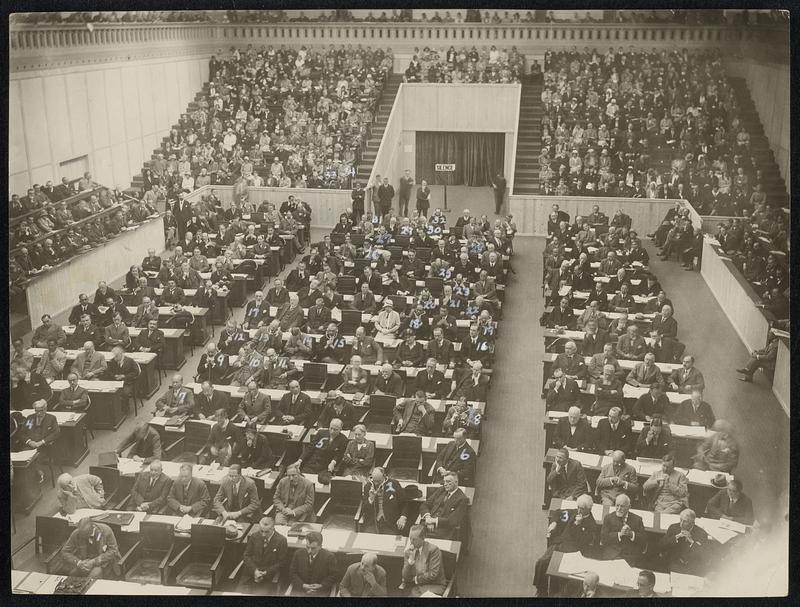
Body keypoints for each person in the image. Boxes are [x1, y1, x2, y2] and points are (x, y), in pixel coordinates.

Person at [533, 494, 599, 597]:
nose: (578, 511)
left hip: (571, 551)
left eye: (582, 509)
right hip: (559, 544)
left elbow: (582, 542)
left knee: (558, 572)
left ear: (589, 509)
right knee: (541, 562)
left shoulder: (591, 525)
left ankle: (556, 593)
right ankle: (541, 589)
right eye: (578, 507)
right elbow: (557, 512)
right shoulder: (573, 512)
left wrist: (578, 525)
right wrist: (554, 522)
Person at [659, 508, 713, 575]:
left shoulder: (701, 533)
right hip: (674, 563)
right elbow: (661, 545)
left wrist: (692, 542)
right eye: (680, 520)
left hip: (692, 567)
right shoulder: (673, 527)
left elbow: (705, 556)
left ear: (692, 523)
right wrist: (676, 537)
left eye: (685, 521)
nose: (681, 524)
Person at [242, 516, 288, 591]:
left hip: (268, 577)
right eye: (261, 531)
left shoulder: (281, 541)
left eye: (266, 532)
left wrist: (265, 573)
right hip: (251, 573)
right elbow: (246, 555)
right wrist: (255, 571)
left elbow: (282, 562)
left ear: (273, 528)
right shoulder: (254, 536)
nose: (263, 534)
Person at [361, 466, 410, 534]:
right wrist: (371, 499)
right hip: (373, 523)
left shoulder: (394, 484)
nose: (376, 484)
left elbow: (404, 503)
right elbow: (364, 509)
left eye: (378, 481)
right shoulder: (368, 487)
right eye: (374, 481)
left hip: (390, 524)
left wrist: (403, 517)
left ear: (384, 476)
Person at [20, 400, 60, 483]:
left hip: (44, 447)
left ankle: (35, 478)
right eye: (36, 411)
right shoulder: (30, 418)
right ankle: (35, 475)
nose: (38, 413)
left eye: (40, 411)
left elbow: (56, 433)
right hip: (29, 446)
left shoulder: (51, 418)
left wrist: (41, 442)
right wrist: (29, 441)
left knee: (35, 458)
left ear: (45, 409)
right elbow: (22, 433)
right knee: (24, 459)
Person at [401, 524, 447, 596]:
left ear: (423, 538)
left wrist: (416, 579)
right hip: (416, 586)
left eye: (414, 539)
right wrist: (410, 561)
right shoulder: (408, 552)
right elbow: (405, 577)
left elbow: (432, 574)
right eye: (410, 538)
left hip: (435, 585)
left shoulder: (433, 550)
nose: (411, 542)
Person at [600, 494, 646, 564]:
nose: (618, 509)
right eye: (617, 505)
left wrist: (631, 534)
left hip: (630, 558)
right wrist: (619, 534)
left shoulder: (637, 520)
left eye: (622, 506)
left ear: (629, 507)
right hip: (611, 556)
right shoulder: (608, 518)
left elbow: (643, 541)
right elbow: (603, 539)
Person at [289, 530, 338, 595]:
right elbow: (292, 573)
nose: (309, 551)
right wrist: (302, 585)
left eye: (313, 548)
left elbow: (333, 576)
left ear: (320, 546)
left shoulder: (329, 557)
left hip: (320, 592)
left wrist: (321, 586)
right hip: (300, 590)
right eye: (307, 547)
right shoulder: (298, 554)